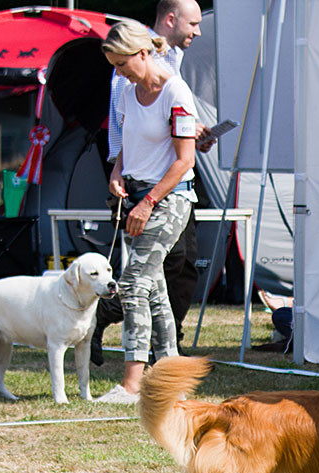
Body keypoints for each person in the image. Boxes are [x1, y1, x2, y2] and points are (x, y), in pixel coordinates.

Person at [92, 0, 210, 365]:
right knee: (154, 284)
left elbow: (183, 156)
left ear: (142, 53)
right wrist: (116, 171)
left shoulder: (173, 85)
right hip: (138, 190)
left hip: (167, 197)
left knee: (143, 280)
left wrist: (148, 202)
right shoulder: (127, 87)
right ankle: (169, 366)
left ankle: (134, 376)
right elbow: (128, 136)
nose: (119, 73)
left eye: (122, 65)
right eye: (115, 66)